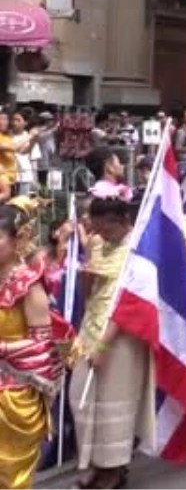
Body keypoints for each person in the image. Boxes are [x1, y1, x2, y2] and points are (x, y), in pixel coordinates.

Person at [69, 191, 154, 490]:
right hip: (90, 328)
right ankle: (93, 463)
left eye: (107, 228)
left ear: (123, 221)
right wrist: (85, 276)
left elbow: (132, 302)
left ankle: (114, 471)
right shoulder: (97, 243)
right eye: (96, 228)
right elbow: (88, 295)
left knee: (113, 403)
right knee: (81, 399)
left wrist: (104, 345)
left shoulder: (139, 248)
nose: (102, 234)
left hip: (121, 337)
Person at [0, 204, 68, 489]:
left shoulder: (28, 285)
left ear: (18, 239)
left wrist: (3, 350)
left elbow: (44, 345)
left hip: (14, 396)